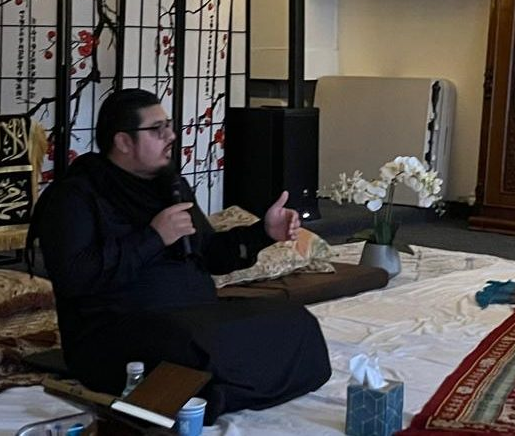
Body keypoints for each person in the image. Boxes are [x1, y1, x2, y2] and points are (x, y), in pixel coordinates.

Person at [29, 89, 331, 424]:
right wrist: (154, 237)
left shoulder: (169, 187)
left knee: (295, 322)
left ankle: (208, 392)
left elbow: (212, 254)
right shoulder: (75, 195)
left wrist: (264, 232)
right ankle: (205, 392)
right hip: (112, 332)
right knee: (189, 346)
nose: (171, 136)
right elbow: (75, 278)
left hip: (194, 314)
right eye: (157, 129)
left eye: (169, 126)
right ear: (123, 141)